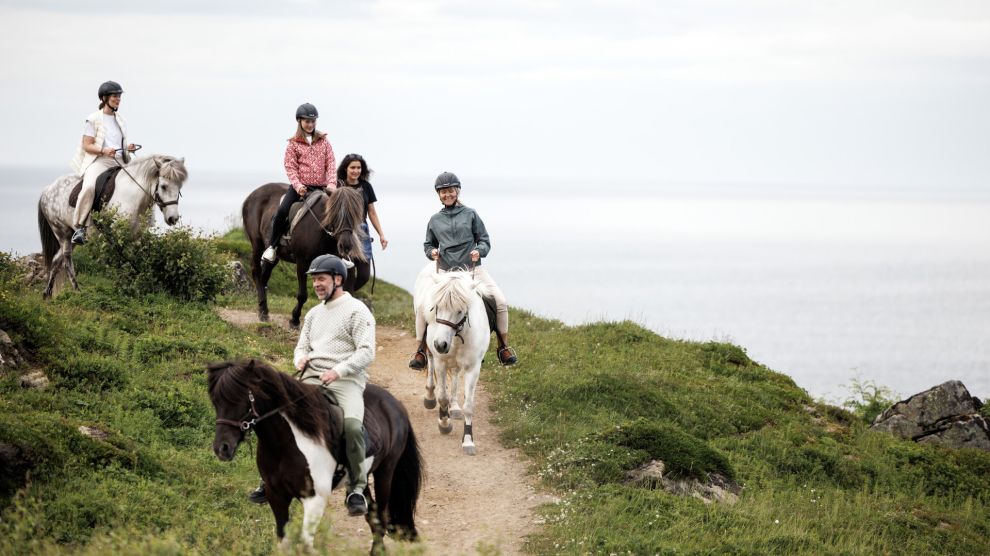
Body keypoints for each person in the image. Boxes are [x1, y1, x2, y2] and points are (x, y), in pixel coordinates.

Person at [247, 254, 375, 516]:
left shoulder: (357, 310)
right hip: (310, 376)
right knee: (278, 417)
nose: (316, 284)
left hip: (345, 380)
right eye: (314, 279)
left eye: (321, 279)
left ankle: (357, 489)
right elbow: (302, 346)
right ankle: (269, 478)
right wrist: (299, 358)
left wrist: (338, 371)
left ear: (338, 279)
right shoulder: (314, 313)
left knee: (351, 426)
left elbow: (366, 352)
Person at [408, 171, 518, 368]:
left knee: (500, 302)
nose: (447, 194)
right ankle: (420, 350)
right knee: (423, 308)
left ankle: (503, 346)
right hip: (445, 273)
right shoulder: (434, 220)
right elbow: (427, 244)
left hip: (473, 270)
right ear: (438, 195)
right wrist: (432, 251)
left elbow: (484, 240)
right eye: (443, 192)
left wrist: (479, 250)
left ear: (457, 191)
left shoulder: (471, 214)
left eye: (450, 190)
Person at [261, 103, 337, 263]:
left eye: (313, 121)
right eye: (307, 121)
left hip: (322, 188)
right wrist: (298, 186)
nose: (310, 124)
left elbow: (330, 163)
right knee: (282, 211)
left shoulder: (324, 141)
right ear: (299, 121)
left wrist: (331, 183)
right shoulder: (293, 144)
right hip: (301, 188)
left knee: (339, 212)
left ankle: (341, 250)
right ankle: (273, 247)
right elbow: (290, 167)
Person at [69, 80, 139, 245]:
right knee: (89, 187)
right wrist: (103, 150)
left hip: (120, 161)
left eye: (119, 96)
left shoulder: (121, 120)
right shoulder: (93, 119)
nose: (118, 99)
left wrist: (127, 148)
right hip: (101, 161)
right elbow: (87, 145)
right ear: (104, 98)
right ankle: (80, 228)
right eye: (115, 96)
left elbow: (118, 144)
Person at [336, 153, 388, 284]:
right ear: (345, 169)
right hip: (345, 231)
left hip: (363, 231)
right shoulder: (338, 186)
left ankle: (345, 295)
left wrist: (381, 234)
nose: (356, 171)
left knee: (364, 276)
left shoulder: (366, 186)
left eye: (358, 168)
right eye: (352, 167)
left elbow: (372, 212)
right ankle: (346, 298)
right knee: (348, 273)